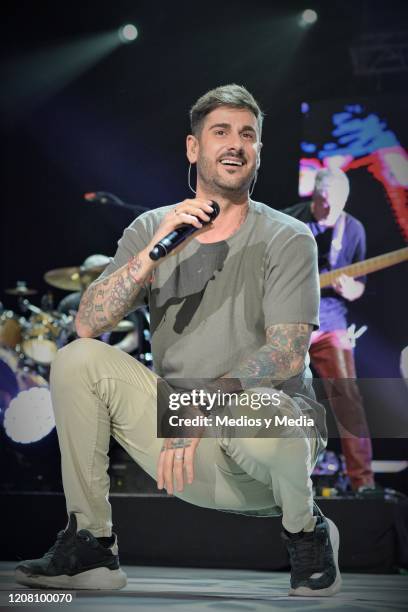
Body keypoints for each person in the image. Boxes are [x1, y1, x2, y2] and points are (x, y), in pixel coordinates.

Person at [15, 85, 341, 597]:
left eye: (248, 135)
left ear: (257, 153)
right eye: (221, 132)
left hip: (271, 443)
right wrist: (150, 255)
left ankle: (307, 532)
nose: (235, 144)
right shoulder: (152, 228)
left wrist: (201, 405)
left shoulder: (287, 236)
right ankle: (92, 545)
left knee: (258, 408)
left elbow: (287, 351)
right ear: (194, 148)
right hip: (184, 451)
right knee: (78, 359)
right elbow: (86, 323)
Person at [284, 168, 375, 493]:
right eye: (324, 203)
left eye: (337, 204)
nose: (330, 211)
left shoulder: (353, 229)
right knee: (286, 403)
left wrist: (349, 288)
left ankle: (363, 482)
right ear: (314, 196)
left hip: (331, 325)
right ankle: (288, 481)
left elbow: (359, 288)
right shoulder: (288, 222)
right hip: (290, 325)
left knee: (349, 399)